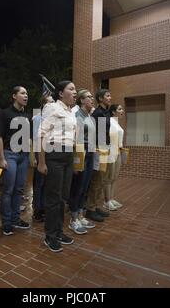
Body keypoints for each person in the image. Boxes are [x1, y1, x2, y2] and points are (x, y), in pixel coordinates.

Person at [38, 80, 77, 253]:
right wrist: (41, 161)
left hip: (68, 156)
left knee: (63, 197)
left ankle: (59, 232)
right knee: (53, 197)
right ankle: (50, 236)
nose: (75, 92)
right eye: (71, 89)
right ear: (61, 93)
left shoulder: (71, 112)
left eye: (75, 89)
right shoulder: (52, 108)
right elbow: (41, 135)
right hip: (53, 154)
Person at [0, 86, 31, 236]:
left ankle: (16, 219)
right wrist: (1, 158)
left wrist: (31, 156)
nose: (26, 96)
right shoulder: (5, 113)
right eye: (22, 93)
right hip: (9, 154)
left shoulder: (28, 115)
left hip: (23, 156)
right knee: (8, 190)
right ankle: (6, 222)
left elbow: (29, 138)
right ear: (14, 95)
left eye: (26, 94)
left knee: (19, 190)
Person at [68, 89, 97, 235]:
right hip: (81, 151)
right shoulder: (76, 115)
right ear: (81, 100)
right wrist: (76, 161)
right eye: (89, 97)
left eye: (92, 97)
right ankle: (73, 219)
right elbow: (76, 139)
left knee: (85, 186)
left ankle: (80, 214)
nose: (92, 99)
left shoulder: (90, 117)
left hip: (91, 152)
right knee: (77, 186)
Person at [86, 89, 112, 222]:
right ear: (100, 99)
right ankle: (90, 209)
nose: (110, 97)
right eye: (107, 96)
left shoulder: (106, 112)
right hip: (98, 149)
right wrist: (99, 150)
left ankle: (96, 206)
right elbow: (96, 135)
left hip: (105, 148)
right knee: (97, 180)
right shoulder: (98, 113)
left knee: (102, 180)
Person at [32, 94, 54, 222]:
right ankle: (37, 210)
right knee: (39, 183)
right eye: (49, 103)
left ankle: (45, 207)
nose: (51, 105)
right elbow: (36, 138)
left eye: (53, 103)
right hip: (40, 152)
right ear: (43, 105)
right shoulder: (38, 118)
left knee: (47, 183)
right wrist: (36, 157)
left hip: (51, 153)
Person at [104, 104, 125, 210]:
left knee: (114, 177)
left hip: (118, 151)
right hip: (111, 152)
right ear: (113, 111)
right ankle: (107, 201)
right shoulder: (110, 121)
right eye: (119, 109)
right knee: (109, 177)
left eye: (122, 109)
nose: (122, 111)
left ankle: (111, 198)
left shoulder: (116, 122)